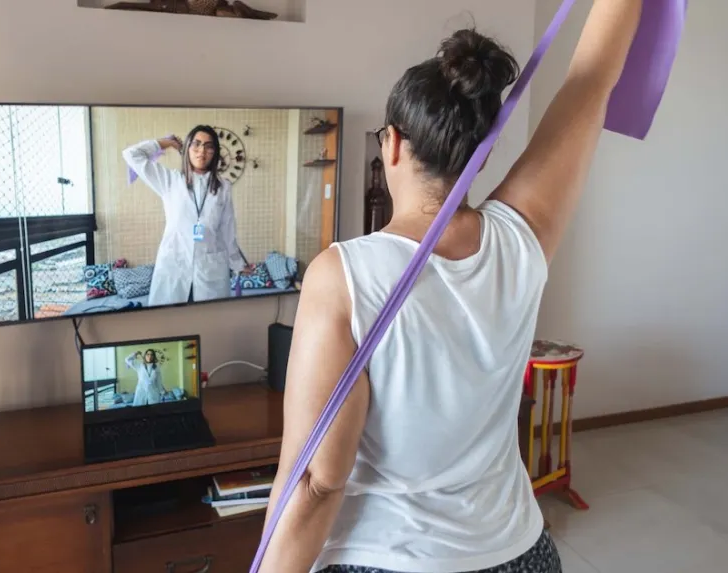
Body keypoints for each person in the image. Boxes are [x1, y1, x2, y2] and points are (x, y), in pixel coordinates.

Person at [258, 2, 644, 572]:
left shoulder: (343, 275)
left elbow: (316, 480)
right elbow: (593, 80)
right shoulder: (522, 238)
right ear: (480, 148)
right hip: (521, 556)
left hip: (388, 561)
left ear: (390, 144)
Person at [122, 125, 249, 307]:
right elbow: (131, 154)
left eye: (208, 146)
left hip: (210, 269)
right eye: (196, 144)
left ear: (215, 152)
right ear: (187, 148)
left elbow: (227, 231)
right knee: (171, 327)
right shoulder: (169, 180)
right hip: (174, 266)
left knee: (210, 325)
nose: (202, 151)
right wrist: (165, 143)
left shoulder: (223, 187)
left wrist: (238, 264)